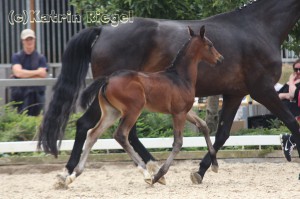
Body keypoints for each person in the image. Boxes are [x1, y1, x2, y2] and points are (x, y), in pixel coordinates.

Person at [10, 29, 48, 116]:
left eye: (31, 39)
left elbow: (43, 74)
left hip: (37, 96)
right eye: (27, 39)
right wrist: (36, 73)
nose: (29, 41)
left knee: (37, 121)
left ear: (34, 40)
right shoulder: (16, 56)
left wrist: (23, 74)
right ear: (22, 41)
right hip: (20, 96)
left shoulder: (41, 57)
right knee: (19, 120)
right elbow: (18, 73)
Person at [280, 59, 300, 162]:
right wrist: (286, 95)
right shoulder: (290, 83)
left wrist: (291, 81)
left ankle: (290, 140)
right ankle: (290, 140)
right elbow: (277, 96)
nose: (298, 72)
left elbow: (293, 94)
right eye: (296, 69)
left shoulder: (292, 83)